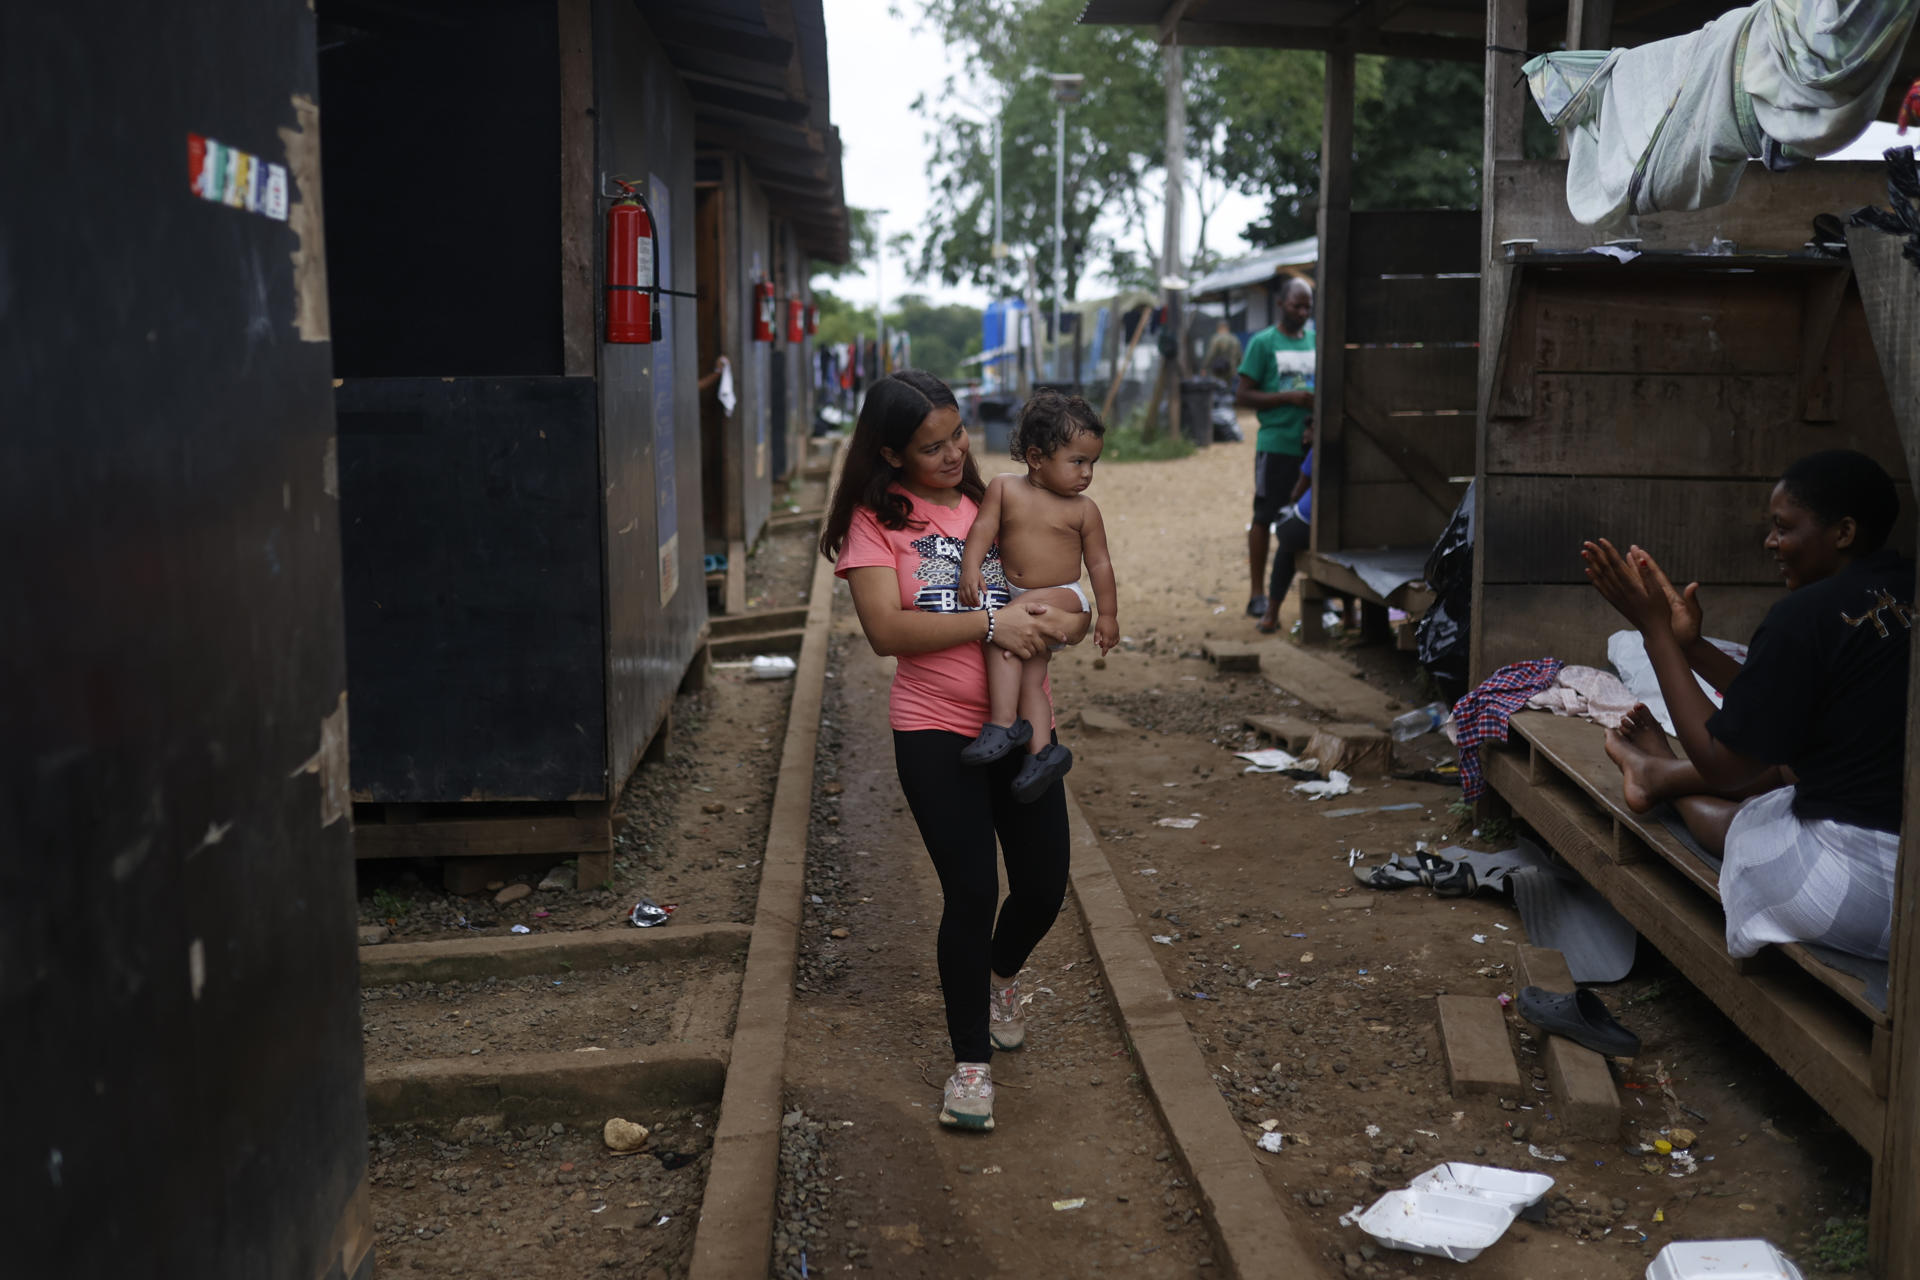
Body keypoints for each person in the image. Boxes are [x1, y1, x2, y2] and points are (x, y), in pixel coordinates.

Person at [820, 370, 1089, 1133]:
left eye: (957, 435)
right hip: (935, 731)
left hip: (1025, 731)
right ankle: (970, 1066)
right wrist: (989, 625)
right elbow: (886, 633)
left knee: (1043, 886)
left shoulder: (997, 501)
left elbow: (1068, 586)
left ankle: (1000, 974)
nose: (951, 453)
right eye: (931, 446)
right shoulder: (877, 525)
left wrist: (1070, 617)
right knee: (972, 892)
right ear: (890, 452)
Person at [1583, 449, 1912, 961]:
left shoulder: (1803, 615)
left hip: (1870, 893)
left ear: (1843, 532)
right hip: (1899, 857)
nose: (1771, 543)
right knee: (1785, 761)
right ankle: (1655, 775)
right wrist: (1691, 646)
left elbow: (1725, 766)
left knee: (1754, 824)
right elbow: (1778, 703)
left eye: (1783, 528)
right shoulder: (1904, 587)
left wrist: (1655, 634)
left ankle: (1661, 778)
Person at [956, 390, 1120, 797]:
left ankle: (1002, 724)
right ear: (1036, 457)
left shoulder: (1083, 510)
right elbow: (981, 530)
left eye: (1092, 464)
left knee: (1000, 635)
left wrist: (1108, 615)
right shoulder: (1004, 488)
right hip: (1020, 598)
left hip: (1063, 595)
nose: (1086, 474)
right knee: (1030, 675)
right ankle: (1042, 753)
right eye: (1077, 461)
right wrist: (970, 567)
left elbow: (1099, 565)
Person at [1236, 277, 1315, 632]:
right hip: (1276, 444)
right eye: (1297, 305)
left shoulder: (1316, 341)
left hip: (1310, 448)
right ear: (1281, 304)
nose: (1303, 311)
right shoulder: (1263, 343)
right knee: (1265, 515)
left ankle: (1309, 597)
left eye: (1307, 306)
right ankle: (1257, 593)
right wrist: (1287, 398)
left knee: (1307, 519)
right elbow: (1243, 395)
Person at [1255, 420, 1315, 634]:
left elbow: (1298, 490)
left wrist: (1292, 500)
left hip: (1310, 523)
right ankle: (1349, 613)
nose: (1305, 435)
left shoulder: (1321, 448)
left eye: (1310, 428)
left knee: (1287, 541)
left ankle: (1271, 614)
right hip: (1352, 533)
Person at [1202, 317, 1242, 381]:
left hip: (1219, 370)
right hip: (1232, 371)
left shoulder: (1216, 338)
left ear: (1219, 327)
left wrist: (1204, 367)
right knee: (1230, 389)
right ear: (1228, 328)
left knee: (1219, 387)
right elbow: (1240, 356)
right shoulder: (1235, 339)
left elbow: (1211, 354)